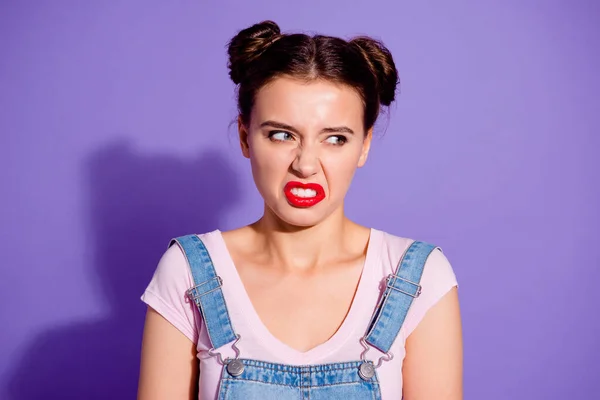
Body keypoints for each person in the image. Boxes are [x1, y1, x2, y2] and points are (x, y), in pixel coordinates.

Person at [137, 20, 462, 400]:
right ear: (245, 137)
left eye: (335, 139)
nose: (306, 164)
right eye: (282, 135)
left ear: (364, 145)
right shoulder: (188, 272)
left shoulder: (419, 277)